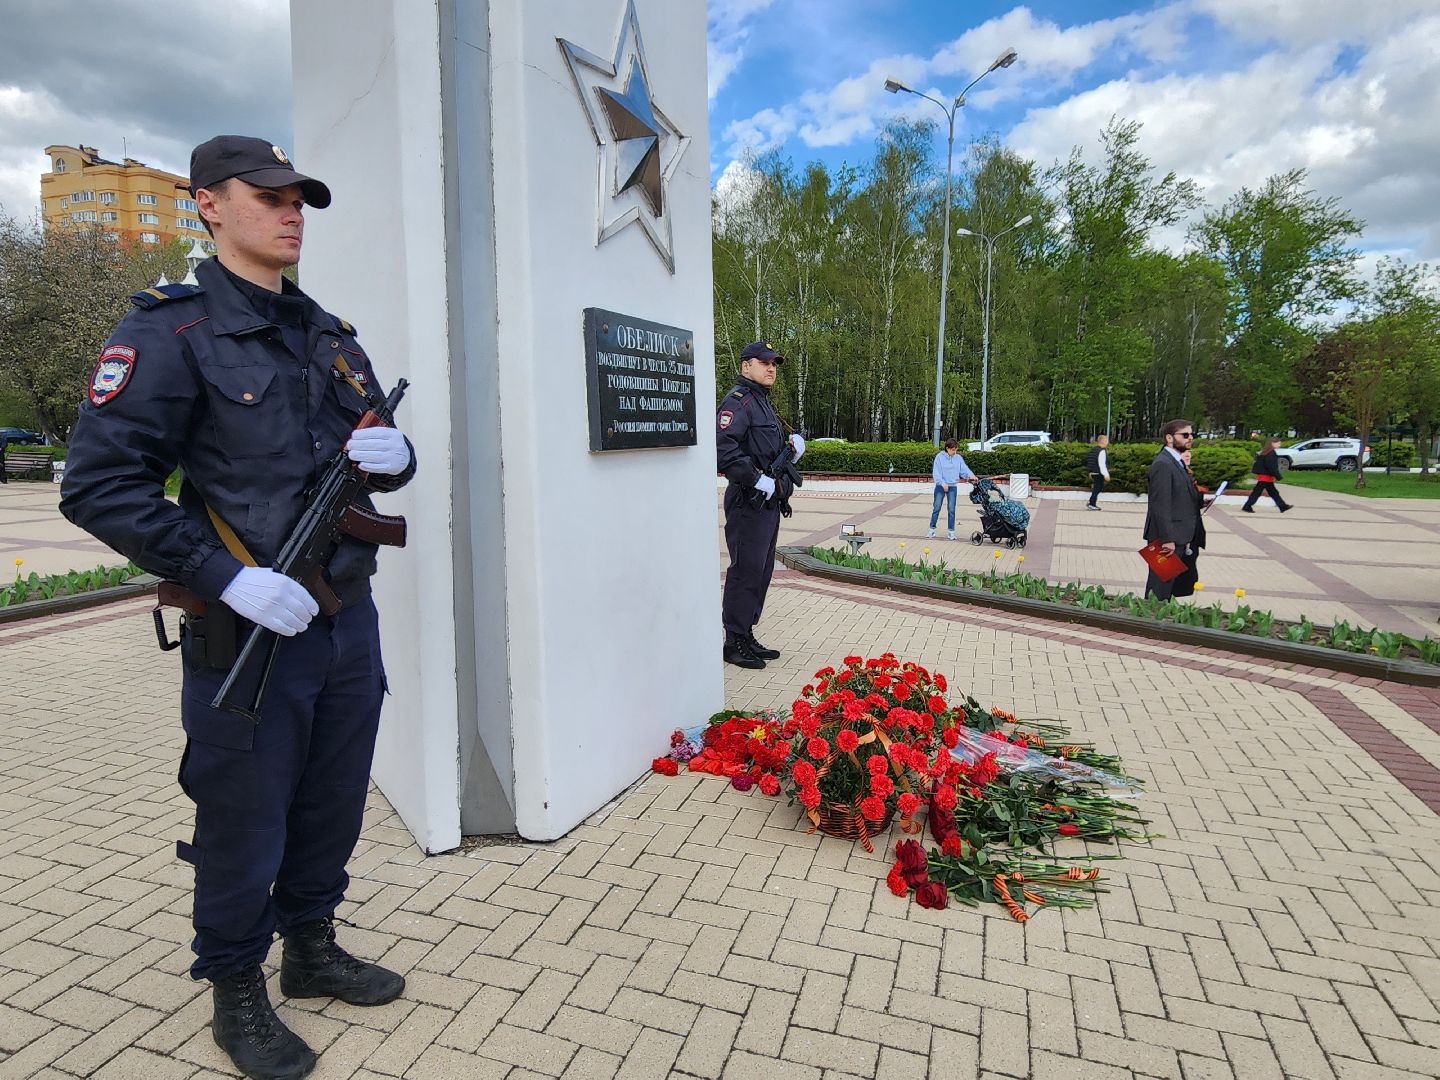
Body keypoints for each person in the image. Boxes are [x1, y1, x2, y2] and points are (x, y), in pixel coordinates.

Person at [59, 136, 416, 1080]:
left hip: (344, 619)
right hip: (247, 625)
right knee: (243, 815)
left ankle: (310, 946)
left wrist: (399, 457)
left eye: (300, 198)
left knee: (334, 799)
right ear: (208, 204)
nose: (292, 211)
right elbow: (98, 486)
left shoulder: (332, 335)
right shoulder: (170, 334)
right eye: (269, 196)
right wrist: (222, 575)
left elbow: (375, 446)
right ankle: (235, 987)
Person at [716, 340, 804, 669]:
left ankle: (747, 632)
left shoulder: (762, 402)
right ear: (745, 366)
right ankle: (733, 640)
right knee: (746, 570)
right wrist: (757, 480)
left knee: (762, 571)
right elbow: (726, 449)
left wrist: (791, 448)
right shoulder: (738, 402)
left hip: (767, 502)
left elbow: (765, 449)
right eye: (764, 362)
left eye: (775, 364)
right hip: (748, 500)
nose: (771, 368)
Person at [1142, 419, 1205, 600]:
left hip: (1179, 535)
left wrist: (1200, 501)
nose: (1190, 438)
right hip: (1166, 539)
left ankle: (1160, 620)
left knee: (1170, 585)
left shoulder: (1176, 462)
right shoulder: (1163, 464)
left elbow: (1178, 496)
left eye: (1192, 434)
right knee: (1159, 586)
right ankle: (1151, 622)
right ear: (1169, 438)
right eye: (1185, 435)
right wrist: (1167, 540)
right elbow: (1160, 505)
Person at [928, 439, 977, 539]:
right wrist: (942, 483)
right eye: (953, 450)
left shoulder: (958, 458)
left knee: (951, 510)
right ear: (947, 448)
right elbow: (936, 473)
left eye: (956, 450)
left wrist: (971, 476)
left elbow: (964, 469)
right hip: (940, 487)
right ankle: (931, 530)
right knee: (936, 508)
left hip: (952, 487)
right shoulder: (939, 457)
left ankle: (951, 532)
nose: (955, 452)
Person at [1242, 437, 1293, 513]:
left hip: (1265, 476)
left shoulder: (1266, 452)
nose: (1280, 444)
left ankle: (1283, 506)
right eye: (1278, 443)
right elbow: (1271, 466)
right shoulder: (1270, 453)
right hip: (1265, 476)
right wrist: (1277, 476)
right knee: (1258, 492)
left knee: (1272, 492)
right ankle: (1247, 506)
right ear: (1272, 443)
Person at [1085, 434, 1110, 510]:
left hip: (1093, 472)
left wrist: (1090, 471)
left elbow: (1090, 460)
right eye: (1107, 441)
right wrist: (1106, 474)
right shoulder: (1102, 451)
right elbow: (1102, 464)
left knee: (1097, 488)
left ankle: (1091, 502)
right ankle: (1092, 503)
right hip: (1098, 472)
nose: (1107, 442)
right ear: (1103, 441)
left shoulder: (1094, 449)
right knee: (1098, 488)